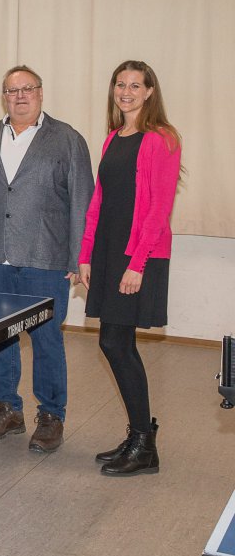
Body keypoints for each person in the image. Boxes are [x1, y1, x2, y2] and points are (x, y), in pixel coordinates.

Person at [0, 66, 94, 453]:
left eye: (27, 89)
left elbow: (82, 203)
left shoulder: (67, 139)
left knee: (47, 338)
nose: (20, 96)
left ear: (40, 93)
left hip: (46, 259)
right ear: (3, 96)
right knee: (0, 338)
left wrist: (77, 256)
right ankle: (8, 407)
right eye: (11, 90)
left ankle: (52, 414)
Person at [78, 60, 182, 476]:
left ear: (150, 92)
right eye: (120, 84)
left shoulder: (162, 139)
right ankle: (139, 435)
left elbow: (159, 207)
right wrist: (86, 255)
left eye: (135, 85)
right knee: (114, 343)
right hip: (108, 253)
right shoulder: (112, 139)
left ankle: (144, 443)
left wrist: (136, 263)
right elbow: (99, 203)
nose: (126, 92)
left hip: (138, 256)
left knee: (116, 344)